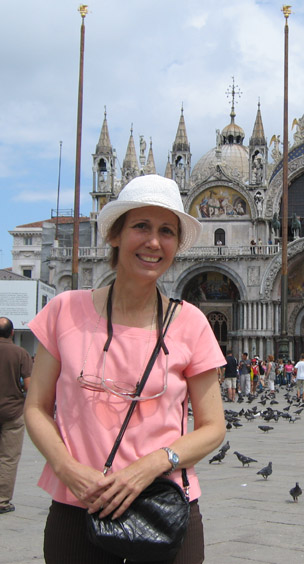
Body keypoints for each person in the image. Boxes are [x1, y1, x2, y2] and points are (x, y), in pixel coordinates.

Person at [24, 174, 226, 562]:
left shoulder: (191, 322)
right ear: (115, 235)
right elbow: (36, 407)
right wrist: (66, 468)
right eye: (141, 227)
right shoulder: (64, 310)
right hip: (78, 505)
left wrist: (150, 466)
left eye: (167, 231)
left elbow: (213, 427)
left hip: (163, 508)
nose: (154, 242)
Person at [0, 317, 33, 515]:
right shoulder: (20, 353)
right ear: (12, 333)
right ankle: (2, 500)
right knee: (8, 457)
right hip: (12, 411)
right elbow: (29, 385)